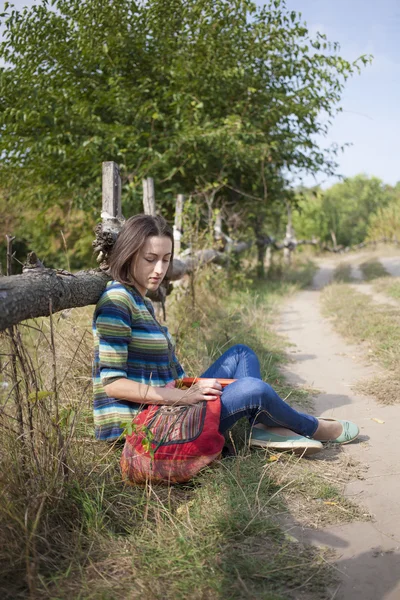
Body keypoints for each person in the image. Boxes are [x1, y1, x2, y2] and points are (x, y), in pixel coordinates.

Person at [92, 214, 359, 457]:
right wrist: (185, 396)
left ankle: (262, 426)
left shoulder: (141, 302)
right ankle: (312, 427)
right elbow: (113, 384)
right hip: (148, 428)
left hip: (171, 406)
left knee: (241, 354)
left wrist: (191, 388)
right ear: (129, 254)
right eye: (150, 259)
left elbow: (163, 377)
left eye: (166, 259)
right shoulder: (117, 302)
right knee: (254, 389)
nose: (160, 269)